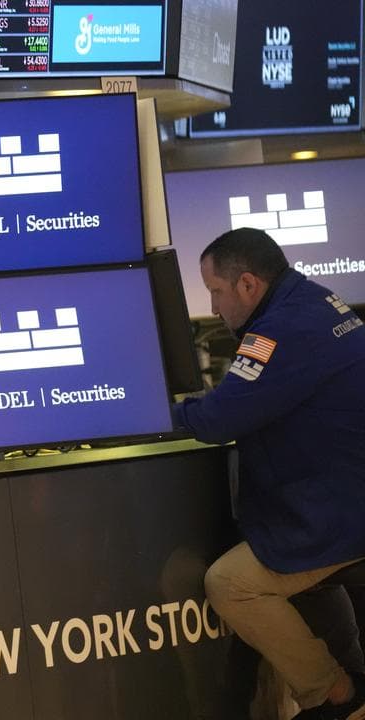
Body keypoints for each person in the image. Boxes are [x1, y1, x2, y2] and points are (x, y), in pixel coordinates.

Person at [174, 227, 365, 720]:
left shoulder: (279, 331)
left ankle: (334, 693)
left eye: (216, 291)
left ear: (248, 285)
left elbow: (220, 419)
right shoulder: (316, 301)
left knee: (231, 583)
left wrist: (151, 413)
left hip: (338, 510)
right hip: (343, 493)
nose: (214, 308)